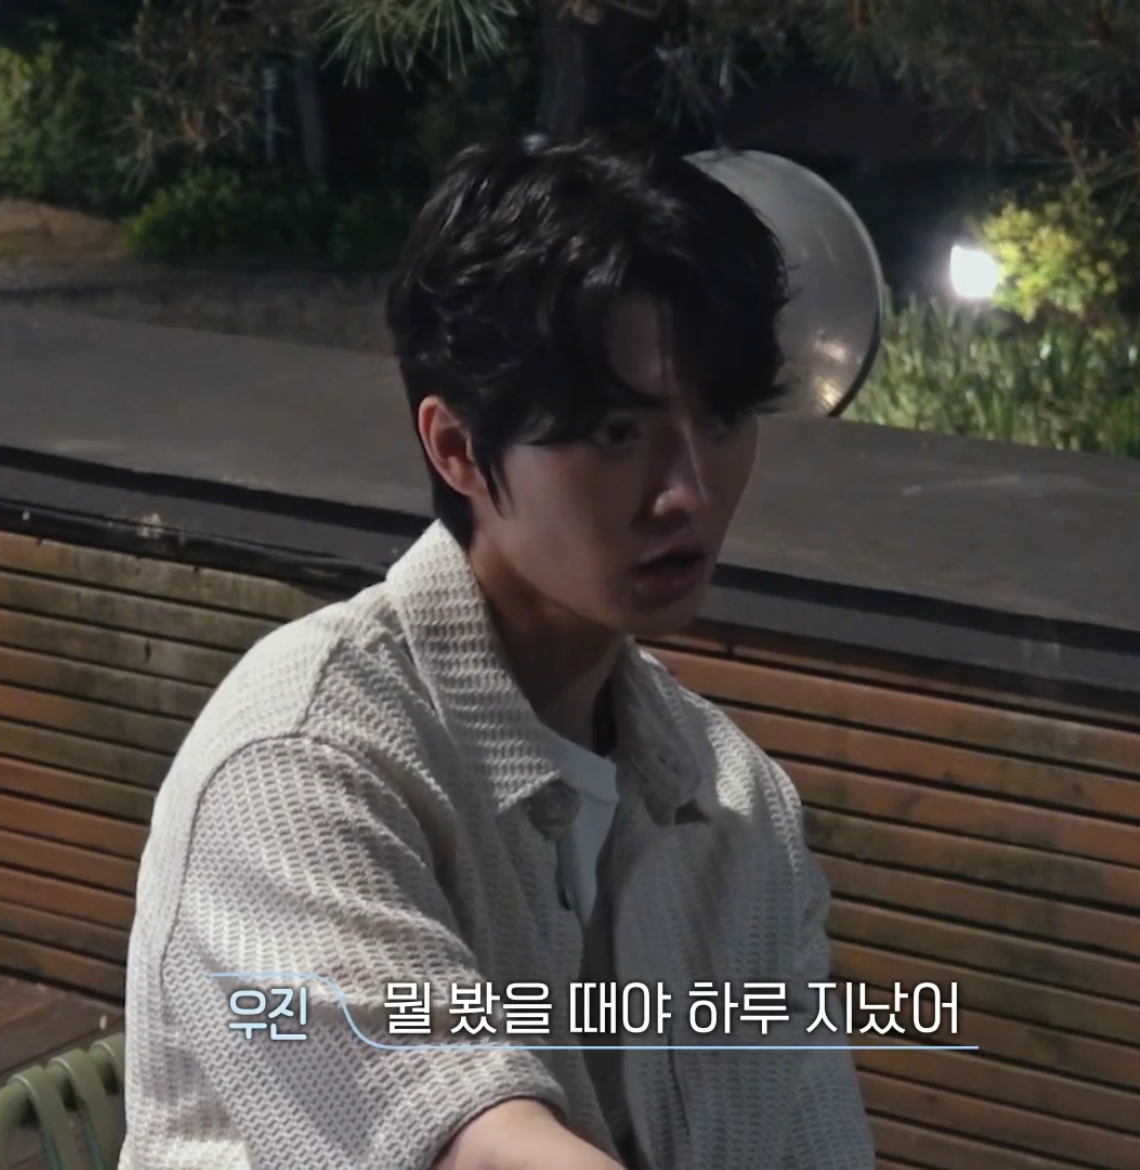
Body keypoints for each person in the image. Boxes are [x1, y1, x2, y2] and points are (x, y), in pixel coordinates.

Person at [122, 133, 876, 1169]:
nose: (689, 491)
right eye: (617, 433)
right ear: (457, 448)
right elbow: (471, 1145)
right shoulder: (302, 758)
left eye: (723, 417)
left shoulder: (739, 801)